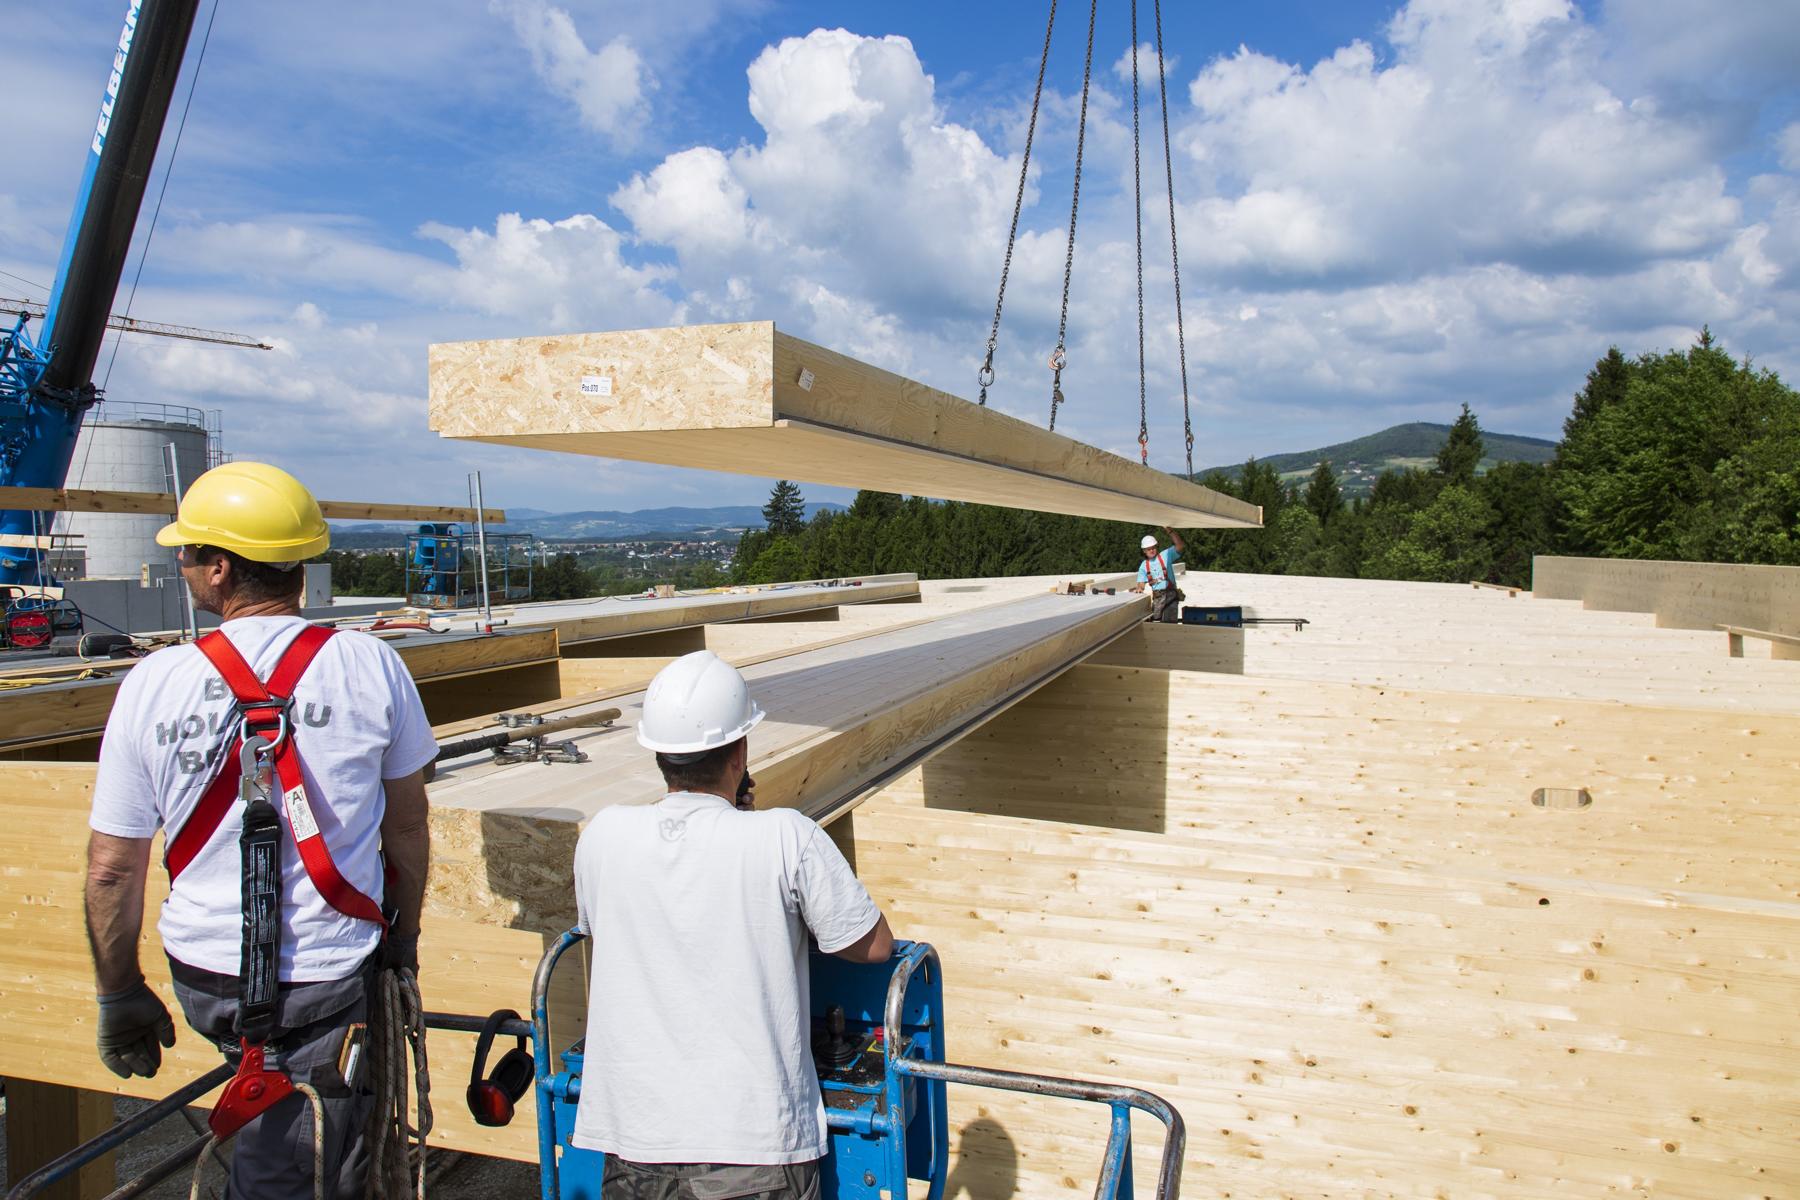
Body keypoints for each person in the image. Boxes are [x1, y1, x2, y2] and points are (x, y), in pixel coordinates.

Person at [84, 461, 436, 1200]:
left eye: (185, 554)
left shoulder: (152, 683)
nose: (178, 565)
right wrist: (401, 943)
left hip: (205, 970)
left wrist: (119, 991)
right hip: (329, 971)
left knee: (288, 1142)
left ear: (217, 570)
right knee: (313, 1148)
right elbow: (406, 825)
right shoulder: (370, 665)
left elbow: (113, 867)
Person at [572, 650, 895, 1199]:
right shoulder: (785, 836)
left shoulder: (602, 835)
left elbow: (631, 934)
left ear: (657, 755)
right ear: (740, 751)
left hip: (635, 1143)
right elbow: (874, 946)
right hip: (754, 1147)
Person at [1133, 526, 1186, 622]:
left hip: (1171, 595)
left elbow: (1180, 545)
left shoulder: (1166, 555)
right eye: (1148, 549)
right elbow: (1141, 583)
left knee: (1170, 624)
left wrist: (1170, 531)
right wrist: (1140, 588)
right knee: (1157, 622)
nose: (1151, 550)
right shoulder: (1144, 565)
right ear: (1144, 551)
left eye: (1153, 548)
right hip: (1157, 598)